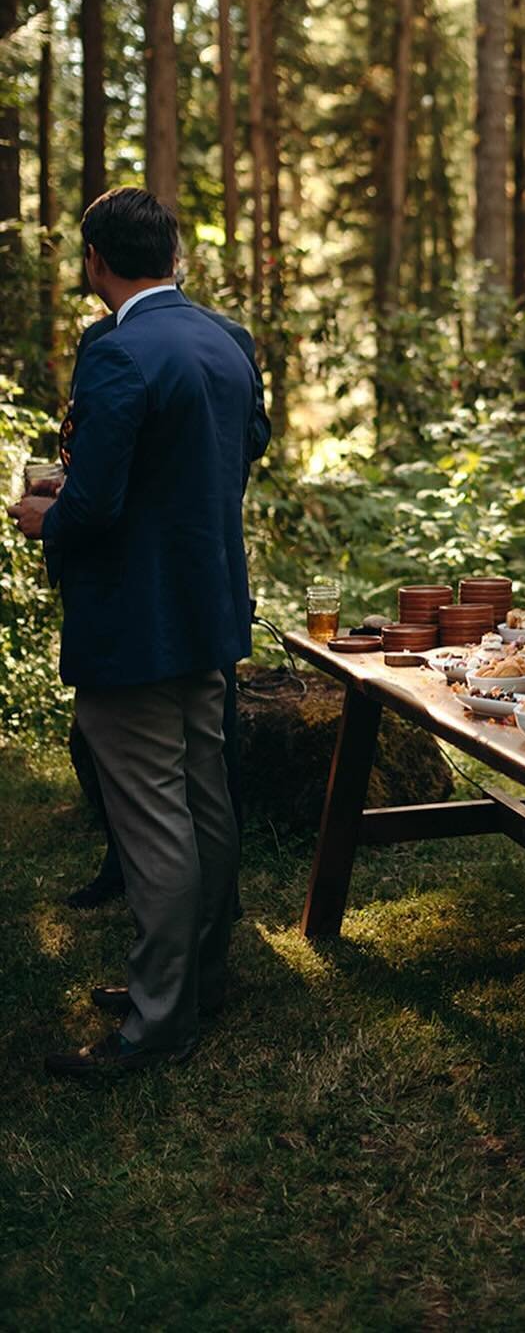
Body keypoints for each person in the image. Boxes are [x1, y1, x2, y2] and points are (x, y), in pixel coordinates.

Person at [8, 188, 268, 1077]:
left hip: (134, 616)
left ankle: (159, 1022)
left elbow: (100, 499)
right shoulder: (228, 343)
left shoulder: (118, 353)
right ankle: (202, 977)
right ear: (174, 254)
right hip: (209, 603)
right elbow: (239, 448)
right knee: (204, 796)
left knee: (154, 818)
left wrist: (45, 516)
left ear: (96, 262)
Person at [59, 298, 270, 911]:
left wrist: (57, 517)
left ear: (98, 262)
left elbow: (249, 436)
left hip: (161, 572)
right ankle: (133, 871)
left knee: (197, 758)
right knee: (173, 760)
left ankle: (180, 962)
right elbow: (89, 436)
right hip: (198, 573)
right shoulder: (104, 338)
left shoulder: (221, 338)